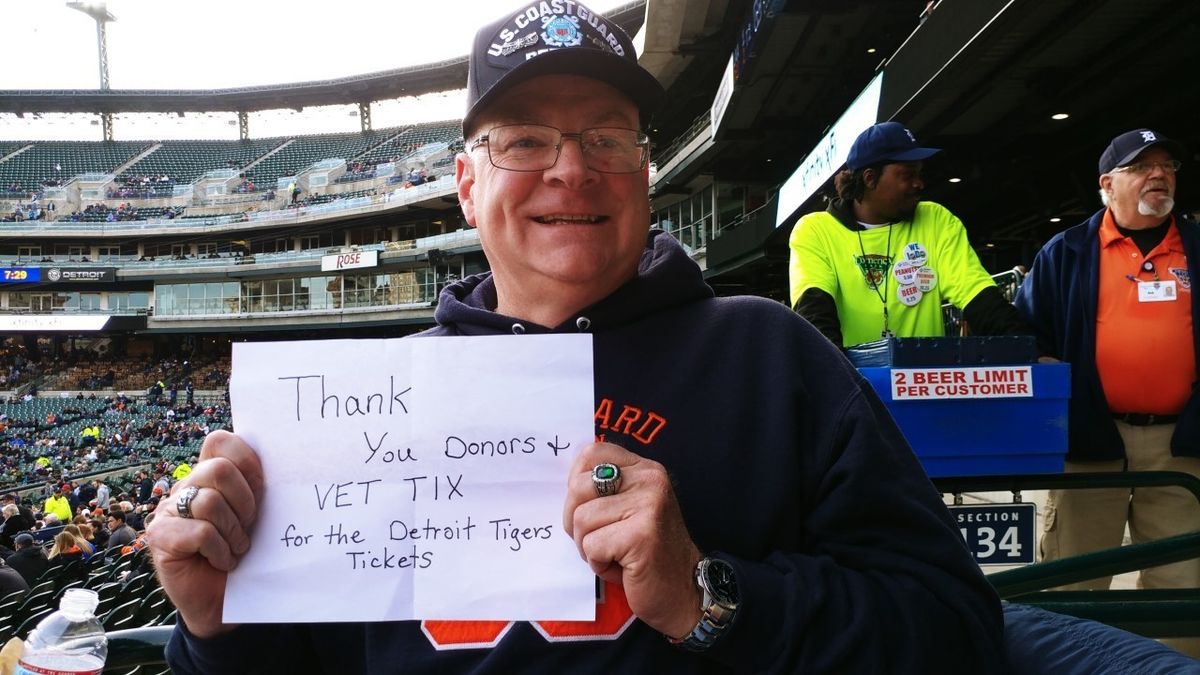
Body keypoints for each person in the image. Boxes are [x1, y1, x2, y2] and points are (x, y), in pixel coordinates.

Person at [150, 4, 1004, 673]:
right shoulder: (359, 409)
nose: (572, 168)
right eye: (525, 140)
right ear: (464, 184)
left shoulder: (771, 356)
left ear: (643, 168)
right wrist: (215, 622)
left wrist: (708, 591)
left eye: (607, 136)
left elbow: (955, 634)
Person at [1014, 128, 1199, 657]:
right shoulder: (1066, 252)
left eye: (1167, 165)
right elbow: (1026, 332)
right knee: (1075, 580)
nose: (1159, 174)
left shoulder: (1197, 247)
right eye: (1142, 166)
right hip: (1091, 438)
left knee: (1182, 584)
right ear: (1107, 184)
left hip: (1180, 444)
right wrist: (1040, 360)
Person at [788, 122, 1028, 348]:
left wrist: (1027, 348)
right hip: (853, 384)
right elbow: (814, 310)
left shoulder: (936, 219)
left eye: (919, 174)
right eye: (907, 175)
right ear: (870, 178)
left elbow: (976, 293)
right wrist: (838, 380)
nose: (919, 184)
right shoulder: (815, 230)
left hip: (925, 385)